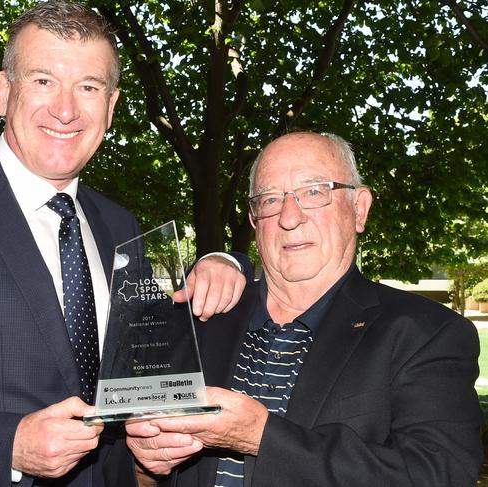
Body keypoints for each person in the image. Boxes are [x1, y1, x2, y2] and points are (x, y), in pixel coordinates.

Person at [0, 2, 249, 486]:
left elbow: (139, 381)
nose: (66, 108)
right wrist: (7, 444)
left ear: (111, 107)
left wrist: (227, 261)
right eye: (42, 80)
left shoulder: (120, 227)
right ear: (3, 91)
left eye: (89, 87)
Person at [125, 132, 484, 486]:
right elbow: (132, 467)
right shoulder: (200, 320)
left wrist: (261, 437)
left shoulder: (426, 333)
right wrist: (145, 468)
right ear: (254, 221)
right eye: (269, 199)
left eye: (314, 192)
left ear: (359, 208)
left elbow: (440, 475)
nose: (289, 217)